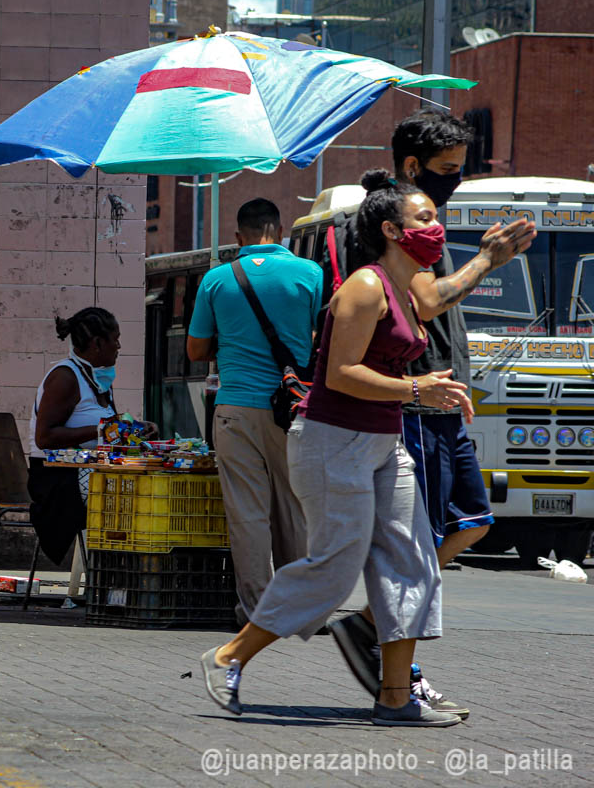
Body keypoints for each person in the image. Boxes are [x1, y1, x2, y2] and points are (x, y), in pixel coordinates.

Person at [200, 170, 476, 727]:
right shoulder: (365, 286)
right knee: (333, 567)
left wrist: (490, 258)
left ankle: (396, 697)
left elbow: (435, 302)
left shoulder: (406, 287)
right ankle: (228, 656)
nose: (436, 228)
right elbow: (342, 374)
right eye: (425, 218)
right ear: (393, 230)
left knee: (413, 560)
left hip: (382, 440)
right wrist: (420, 388)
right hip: (333, 440)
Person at [324, 109, 536, 714]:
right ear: (412, 168)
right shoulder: (404, 228)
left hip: (440, 404)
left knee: (471, 522)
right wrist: (487, 260)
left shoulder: (426, 223)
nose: (455, 184)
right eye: (447, 172)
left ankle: (368, 625)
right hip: (415, 403)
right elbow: (429, 301)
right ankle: (397, 673)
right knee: (414, 546)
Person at [186, 198, 320, 624]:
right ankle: (300, 609)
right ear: (279, 232)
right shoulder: (311, 273)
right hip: (294, 411)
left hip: (235, 410)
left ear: (238, 238)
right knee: (295, 509)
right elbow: (321, 337)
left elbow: (195, 350)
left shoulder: (215, 280)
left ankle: (258, 613)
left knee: (247, 513)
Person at [27, 307, 127, 565]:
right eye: (115, 339)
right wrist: (100, 430)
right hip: (58, 478)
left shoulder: (99, 380)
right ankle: (109, 575)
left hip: (87, 469)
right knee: (128, 494)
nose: (118, 346)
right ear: (96, 344)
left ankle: (116, 575)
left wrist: (135, 430)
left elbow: (108, 430)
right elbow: (45, 438)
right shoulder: (65, 377)